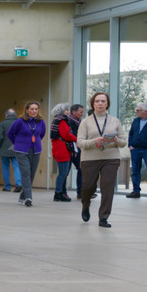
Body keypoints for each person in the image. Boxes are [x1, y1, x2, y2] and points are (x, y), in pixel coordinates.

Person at [77, 92, 127, 228]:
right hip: (90, 158)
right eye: (97, 101)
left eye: (103, 101)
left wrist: (115, 139)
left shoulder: (115, 121)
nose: (100, 103)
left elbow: (123, 142)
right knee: (88, 187)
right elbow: (80, 143)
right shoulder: (85, 122)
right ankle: (85, 205)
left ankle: (103, 217)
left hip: (111, 157)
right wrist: (95, 141)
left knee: (107, 187)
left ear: (107, 104)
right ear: (93, 104)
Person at [6, 101, 46, 207]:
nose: (34, 111)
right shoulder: (20, 121)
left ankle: (22, 196)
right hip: (21, 151)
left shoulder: (41, 122)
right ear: (26, 110)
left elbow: (42, 134)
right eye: (32, 109)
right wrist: (17, 143)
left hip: (36, 150)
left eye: (36, 109)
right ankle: (29, 197)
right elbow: (10, 133)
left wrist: (36, 142)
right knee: (25, 173)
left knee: (31, 174)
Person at [49, 103, 77, 202]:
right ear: (61, 111)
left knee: (63, 172)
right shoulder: (62, 121)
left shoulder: (58, 120)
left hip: (60, 148)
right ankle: (58, 193)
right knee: (63, 173)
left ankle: (59, 192)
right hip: (62, 149)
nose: (68, 112)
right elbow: (66, 134)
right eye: (66, 110)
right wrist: (76, 139)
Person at [0, 108, 21, 193]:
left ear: (6, 115)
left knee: (5, 167)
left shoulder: (2, 124)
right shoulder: (19, 124)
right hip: (17, 149)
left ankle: (7, 186)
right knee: (16, 166)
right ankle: (18, 184)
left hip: (4, 149)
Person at [68, 104, 85, 199]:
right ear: (73, 112)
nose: (82, 114)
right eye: (80, 112)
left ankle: (80, 192)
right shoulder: (68, 121)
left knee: (81, 168)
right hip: (70, 148)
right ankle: (61, 192)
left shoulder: (80, 122)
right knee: (65, 171)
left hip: (78, 149)